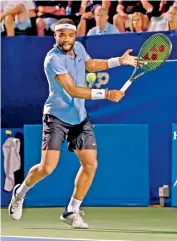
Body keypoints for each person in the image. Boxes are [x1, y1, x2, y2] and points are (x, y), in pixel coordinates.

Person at [8, 18, 140, 229]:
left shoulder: (78, 47)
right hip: (56, 117)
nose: (67, 39)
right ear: (55, 36)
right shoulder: (53, 59)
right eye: (62, 35)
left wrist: (118, 61)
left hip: (79, 117)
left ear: (75, 35)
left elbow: (91, 64)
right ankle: (20, 192)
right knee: (47, 167)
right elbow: (72, 90)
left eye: (70, 35)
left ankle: (72, 210)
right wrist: (106, 93)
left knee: (90, 165)